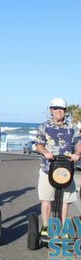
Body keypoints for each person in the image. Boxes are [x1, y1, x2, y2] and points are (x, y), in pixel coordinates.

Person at [34, 97, 81, 236]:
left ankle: (62, 228)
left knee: (65, 201)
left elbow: (79, 144)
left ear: (65, 111)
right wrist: (45, 152)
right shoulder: (44, 126)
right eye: (56, 108)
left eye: (61, 109)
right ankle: (46, 226)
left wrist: (77, 154)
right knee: (46, 199)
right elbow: (39, 145)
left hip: (67, 170)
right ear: (51, 110)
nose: (58, 111)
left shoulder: (72, 127)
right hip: (48, 168)